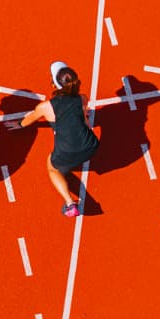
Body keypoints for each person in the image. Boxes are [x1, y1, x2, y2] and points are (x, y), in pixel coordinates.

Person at [14, 62, 99, 217]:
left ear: (54, 85)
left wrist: (18, 124)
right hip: (91, 145)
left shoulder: (45, 107)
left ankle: (70, 203)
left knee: (52, 167)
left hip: (68, 151)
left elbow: (28, 121)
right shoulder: (82, 99)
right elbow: (85, 121)